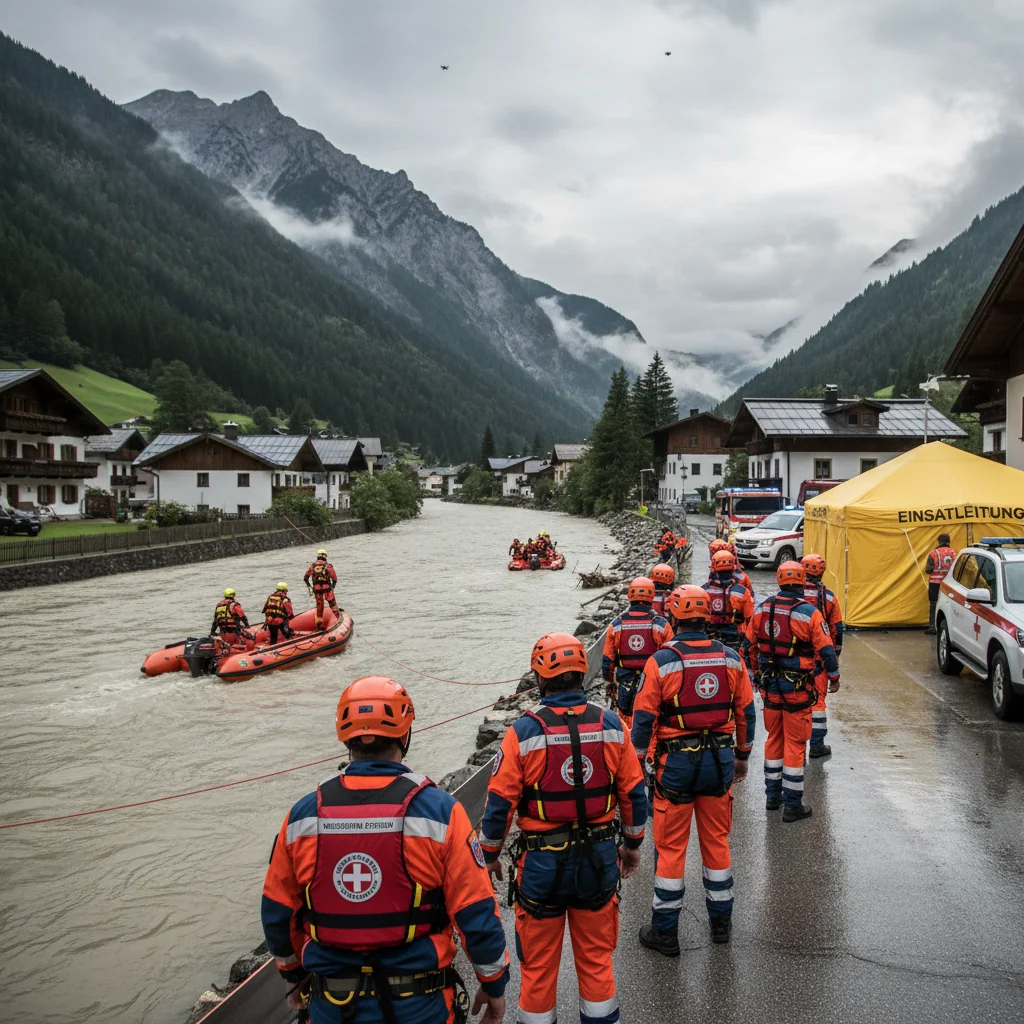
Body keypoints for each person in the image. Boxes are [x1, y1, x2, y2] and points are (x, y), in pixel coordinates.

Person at [262, 676, 509, 1024]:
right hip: (420, 1005)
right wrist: (494, 985)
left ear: (345, 737)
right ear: (405, 734)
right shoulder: (440, 813)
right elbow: (477, 915)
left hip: (333, 1004)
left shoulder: (302, 817)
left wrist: (294, 976)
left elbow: (276, 915)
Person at [480, 633, 647, 1024]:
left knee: (537, 970)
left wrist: (488, 857)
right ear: (582, 674)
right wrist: (633, 845)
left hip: (542, 866)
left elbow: (498, 804)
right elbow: (634, 795)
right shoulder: (611, 726)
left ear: (539, 679)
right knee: (596, 962)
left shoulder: (524, 732)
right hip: (600, 860)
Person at [631, 585, 755, 953]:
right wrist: (743, 755)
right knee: (717, 843)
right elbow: (746, 712)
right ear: (707, 617)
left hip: (676, 766)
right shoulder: (731, 658)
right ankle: (721, 925)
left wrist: (639, 762)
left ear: (674, 618)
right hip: (719, 763)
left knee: (670, 850)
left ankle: (665, 932)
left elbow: (642, 719)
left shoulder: (661, 661)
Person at [743, 562, 840, 822]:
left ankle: (772, 797)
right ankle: (793, 804)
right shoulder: (809, 613)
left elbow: (747, 646)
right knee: (796, 744)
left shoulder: (762, 608)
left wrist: (754, 676)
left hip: (770, 688)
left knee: (774, 738)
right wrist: (834, 677)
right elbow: (827, 650)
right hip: (797, 688)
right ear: (801, 582)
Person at [601, 576, 672, 728]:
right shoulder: (661, 625)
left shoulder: (617, 625)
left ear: (629, 596)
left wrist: (610, 681)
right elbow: (671, 658)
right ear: (651, 597)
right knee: (654, 719)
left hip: (626, 683)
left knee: (626, 721)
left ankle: (630, 749)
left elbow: (608, 659)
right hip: (653, 684)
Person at [801, 553, 844, 757]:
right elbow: (837, 628)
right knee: (817, 702)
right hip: (819, 658)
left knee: (795, 700)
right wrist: (834, 657)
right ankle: (816, 746)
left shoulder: (790, 594)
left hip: (793, 660)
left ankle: (795, 744)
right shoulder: (829, 597)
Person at [704, 550, 754, 649]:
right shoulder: (743, 592)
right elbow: (749, 619)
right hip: (734, 637)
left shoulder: (703, 590)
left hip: (710, 635)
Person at [924, 533, 957, 635]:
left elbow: (928, 570)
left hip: (935, 583)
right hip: (948, 584)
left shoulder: (933, 553)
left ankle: (932, 627)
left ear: (939, 541)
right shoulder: (954, 553)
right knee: (949, 605)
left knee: (934, 604)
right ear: (948, 541)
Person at [304, 549, 339, 629]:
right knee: (332, 604)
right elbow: (334, 579)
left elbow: (305, 578)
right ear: (325, 556)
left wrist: (310, 587)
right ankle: (338, 618)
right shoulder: (328, 565)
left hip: (317, 589)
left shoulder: (313, 566)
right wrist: (332, 587)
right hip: (327, 588)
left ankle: (319, 626)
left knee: (319, 608)